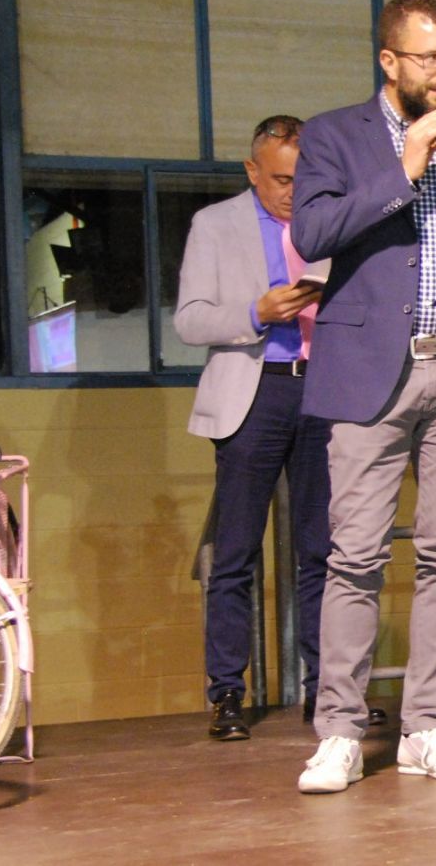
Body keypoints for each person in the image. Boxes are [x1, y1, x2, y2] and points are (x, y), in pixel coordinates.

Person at [289, 0, 436, 794]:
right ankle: (340, 732)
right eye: (430, 57)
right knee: (354, 555)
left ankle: (425, 727)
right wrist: (404, 170)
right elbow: (312, 234)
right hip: (370, 372)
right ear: (389, 61)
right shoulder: (333, 136)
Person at [173, 114, 332, 741]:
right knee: (236, 551)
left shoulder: (330, 221)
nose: (294, 192)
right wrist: (255, 312)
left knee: (323, 550)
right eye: (281, 180)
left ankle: (327, 691)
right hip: (253, 390)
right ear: (252, 171)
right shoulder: (215, 224)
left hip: (323, 388)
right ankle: (226, 694)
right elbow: (189, 321)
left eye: (303, 179)